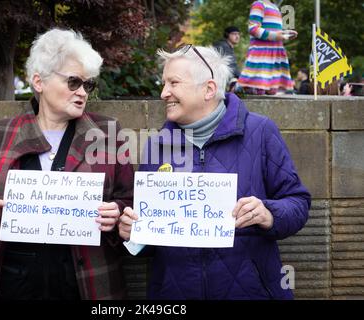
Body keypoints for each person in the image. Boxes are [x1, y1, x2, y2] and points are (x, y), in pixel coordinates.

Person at [119, 45, 311, 299]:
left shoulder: (261, 131)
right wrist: (133, 234)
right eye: (163, 83)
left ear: (209, 89)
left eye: (173, 83)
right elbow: (150, 240)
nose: (164, 93)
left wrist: (268, 213)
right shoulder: (157, 144)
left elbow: (298, 203)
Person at [0, 28, 134, 300]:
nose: (82, 92)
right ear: (39, 81)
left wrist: (117, 214)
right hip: (14, 281)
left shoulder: (108, 133)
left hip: (89, 281)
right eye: (73, 82)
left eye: (87, 85)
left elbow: (129, 202)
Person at [237, 0, 297, 95]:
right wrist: (276, 36)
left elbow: (275, 29)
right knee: (258, 88)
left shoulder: (275, 7)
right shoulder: (259, 4)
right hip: (262, 54)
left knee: (272, 90)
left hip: (275, 54)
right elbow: (253, 28)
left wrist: (285, 33)